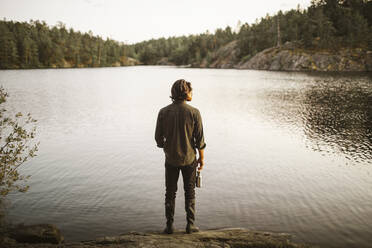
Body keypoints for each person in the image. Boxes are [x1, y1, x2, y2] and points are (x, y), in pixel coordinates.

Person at [155, 79, 206, 234]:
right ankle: (190, 225)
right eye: (190, 91)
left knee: (170, 192)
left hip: (170, 159)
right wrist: (201, 159)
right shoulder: (194, 112)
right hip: (189, 159)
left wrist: (168, 147)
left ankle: (169, 226)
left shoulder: (163, 112)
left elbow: (158, 139)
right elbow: (200, 140)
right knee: (189, 191)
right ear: (186, 92)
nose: (192, 93)